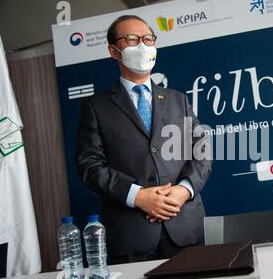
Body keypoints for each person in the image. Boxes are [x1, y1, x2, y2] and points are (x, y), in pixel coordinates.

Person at [76, 15, 212, 264]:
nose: (143, 45)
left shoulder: (178, 100)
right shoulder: (96, 107)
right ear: (113, 51)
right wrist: (137, 196)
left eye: (148, 39)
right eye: (132, 39)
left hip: (185, 228)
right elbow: (90, 166)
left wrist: (184, 190)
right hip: (130, 236)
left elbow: (201, 152)